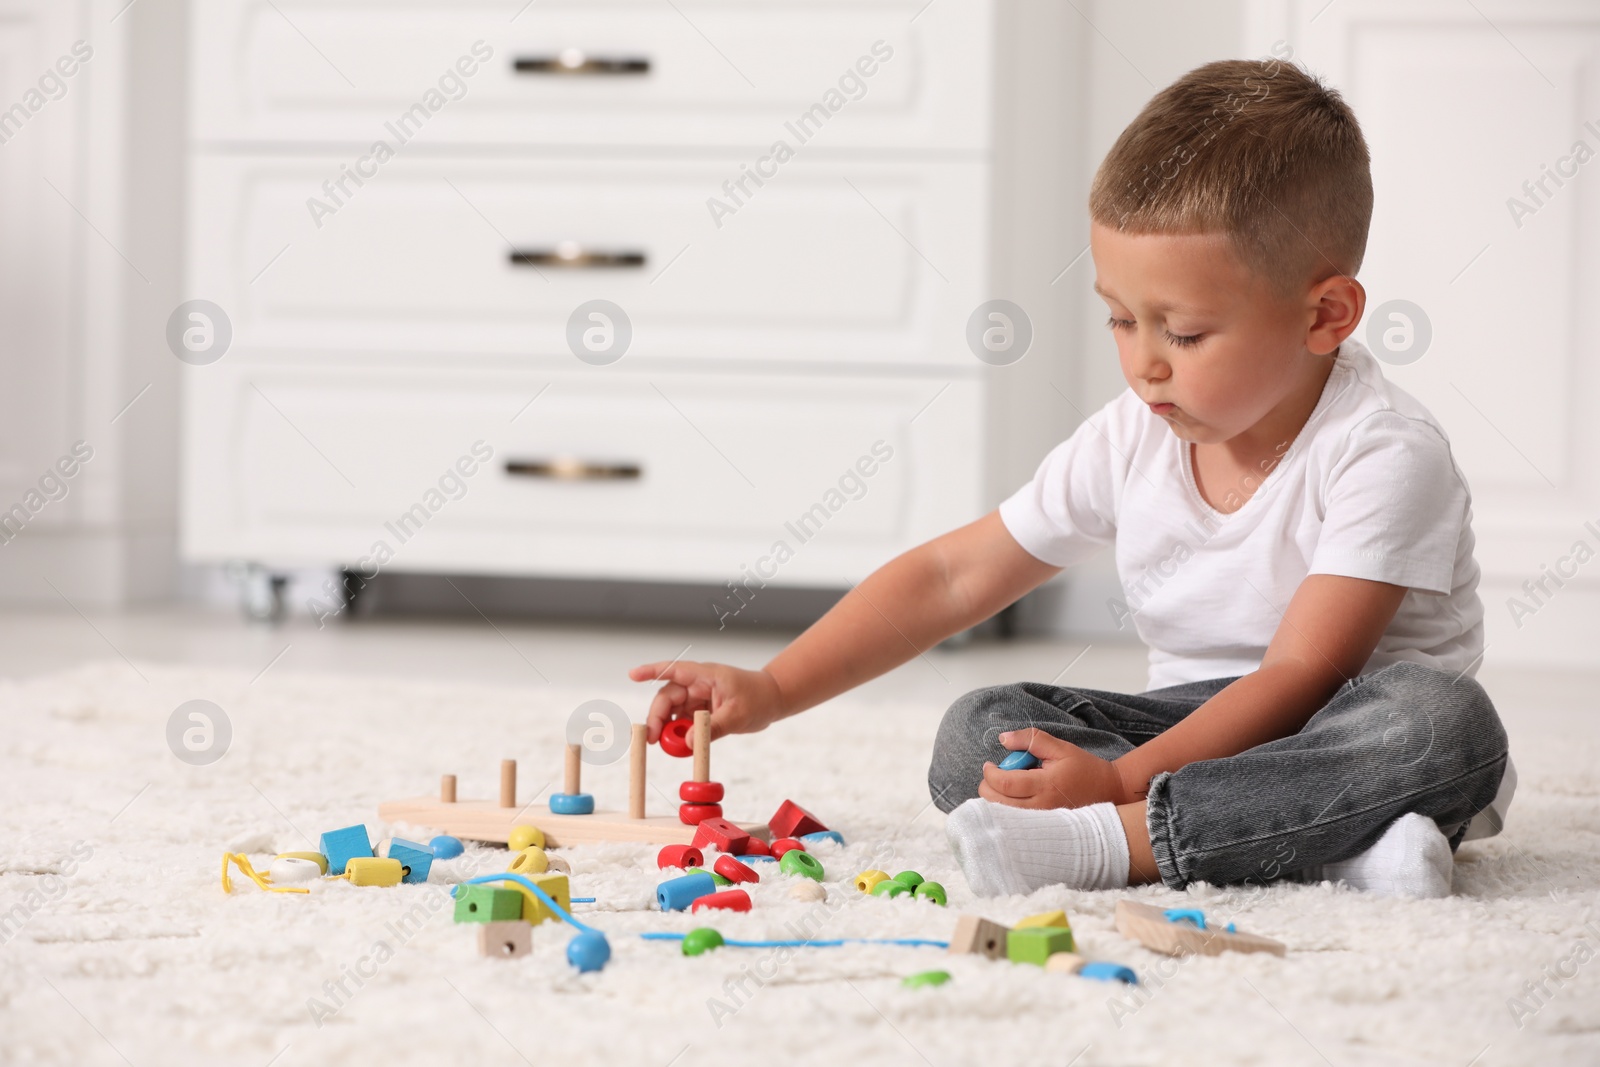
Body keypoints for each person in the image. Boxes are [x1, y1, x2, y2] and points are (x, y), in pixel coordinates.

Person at [631, 58, 1512, 899]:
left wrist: (1114, 787)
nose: (1145, 366)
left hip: (1337, 730)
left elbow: (1301, 673)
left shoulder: (1386, 451)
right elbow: (953, 575)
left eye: (1185, 333)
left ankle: (1119, 843)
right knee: (980, 725)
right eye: (1121, 320)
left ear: (1325, 315)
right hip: (1185, 736)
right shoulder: (1136, 433)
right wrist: (776, 687)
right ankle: (1328, 852)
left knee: (1440, 723)